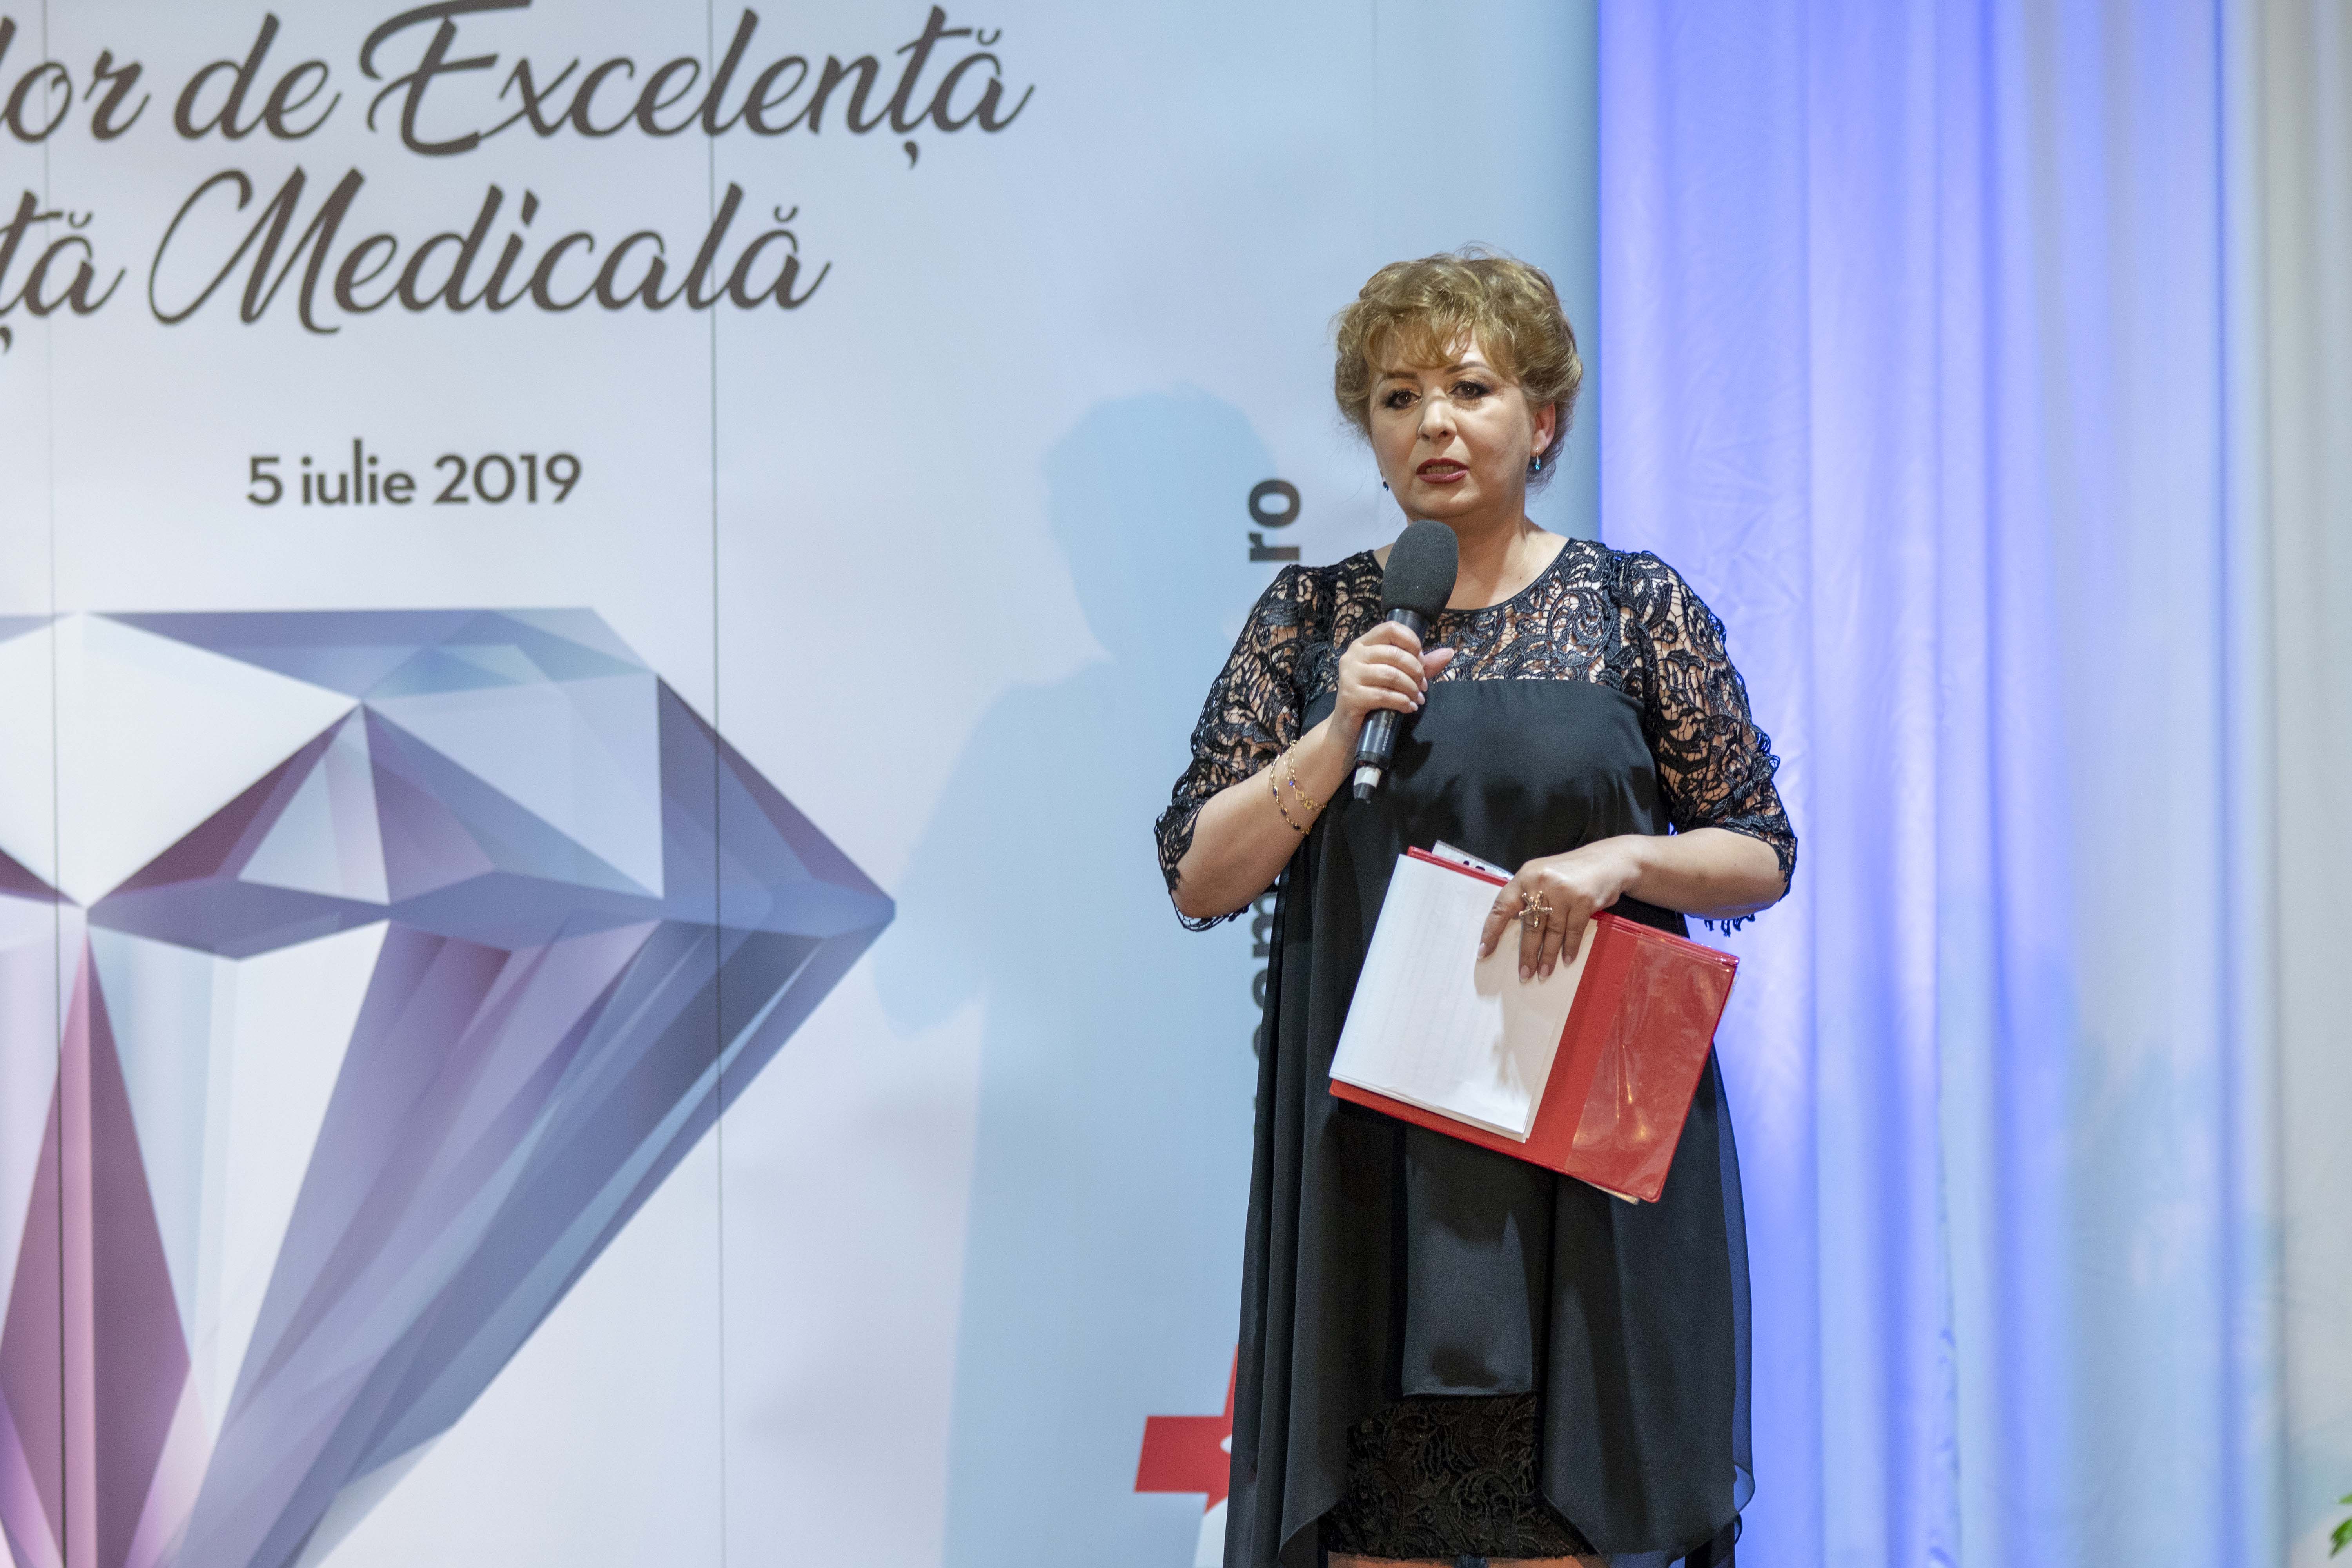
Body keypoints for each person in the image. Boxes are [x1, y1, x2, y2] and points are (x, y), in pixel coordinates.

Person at [1154, 250, 1796, 1568]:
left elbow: (1759, 850)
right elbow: (1200, 874)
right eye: (1398, 399)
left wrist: (1620, 861)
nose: (1432, 424)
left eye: (1469, 389)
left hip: (1581, 1167)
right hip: (1377, 1174)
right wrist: (1338, 726)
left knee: (1574, 1524)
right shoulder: (1320, 617)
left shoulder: (1631, 606)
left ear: (1541, 419)